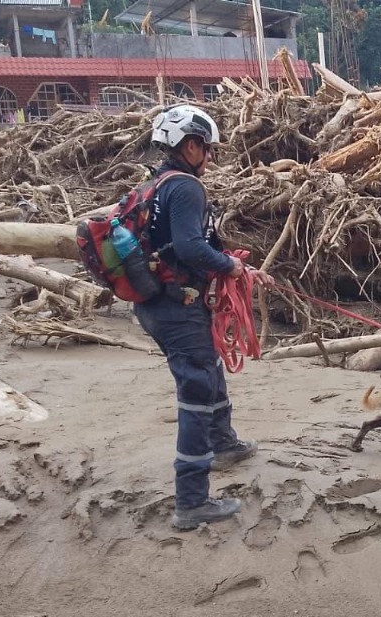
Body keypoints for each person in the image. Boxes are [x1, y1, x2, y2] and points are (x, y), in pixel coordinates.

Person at [138, 104, 274, 531]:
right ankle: (192, 500)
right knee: (196, 391)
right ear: (191, 146)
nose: (211, 157)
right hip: (176, 307)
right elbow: (191, 247)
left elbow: (184, 245)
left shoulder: (154, 184)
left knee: (210, 367)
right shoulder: (186, 188)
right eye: (208, 149)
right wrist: (231, 266)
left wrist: (235, 267)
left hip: (155, 304)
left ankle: (223, 443)